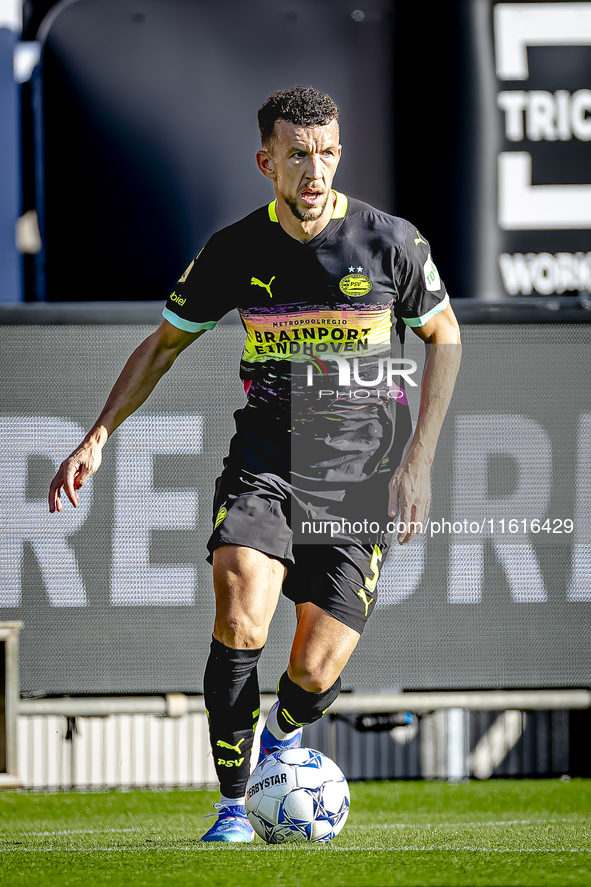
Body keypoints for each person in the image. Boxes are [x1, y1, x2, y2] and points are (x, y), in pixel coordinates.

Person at [49, 86, 461, 842]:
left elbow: (444, 335)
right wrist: (98, 433)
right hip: (266, 457)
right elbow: (164, 343)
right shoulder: (233, 250)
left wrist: (418, 459)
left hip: (359, 473)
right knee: (240, 612)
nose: (315, 169)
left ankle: (280, 740)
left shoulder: (391, 242)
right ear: (265, 161)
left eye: (328, 151)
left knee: (316, 666)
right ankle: (233, 805)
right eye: (298, 155)